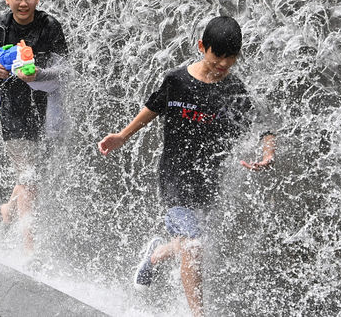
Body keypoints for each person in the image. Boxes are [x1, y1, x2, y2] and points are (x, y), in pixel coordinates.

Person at [97, 16, 276, 317]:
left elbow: (265, 124)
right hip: (174, 177)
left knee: (188, 242)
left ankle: (154, 255)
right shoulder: (177, 79)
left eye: (230, 58)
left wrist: (267, 153)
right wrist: (122, 136)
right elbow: (152, 108)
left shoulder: (234, 90)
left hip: (208, 180)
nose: (223, 64)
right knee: (193, 246)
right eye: (217, 56)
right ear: (202, 47)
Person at [0, 0, 68, 254]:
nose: (23, 3)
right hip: (12, 109)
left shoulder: (50, 26)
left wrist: (38, 74)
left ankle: (8, 210)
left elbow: (65, 70)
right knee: (29, 177)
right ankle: (30, 249)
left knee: (32, 177)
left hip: (45, 110)